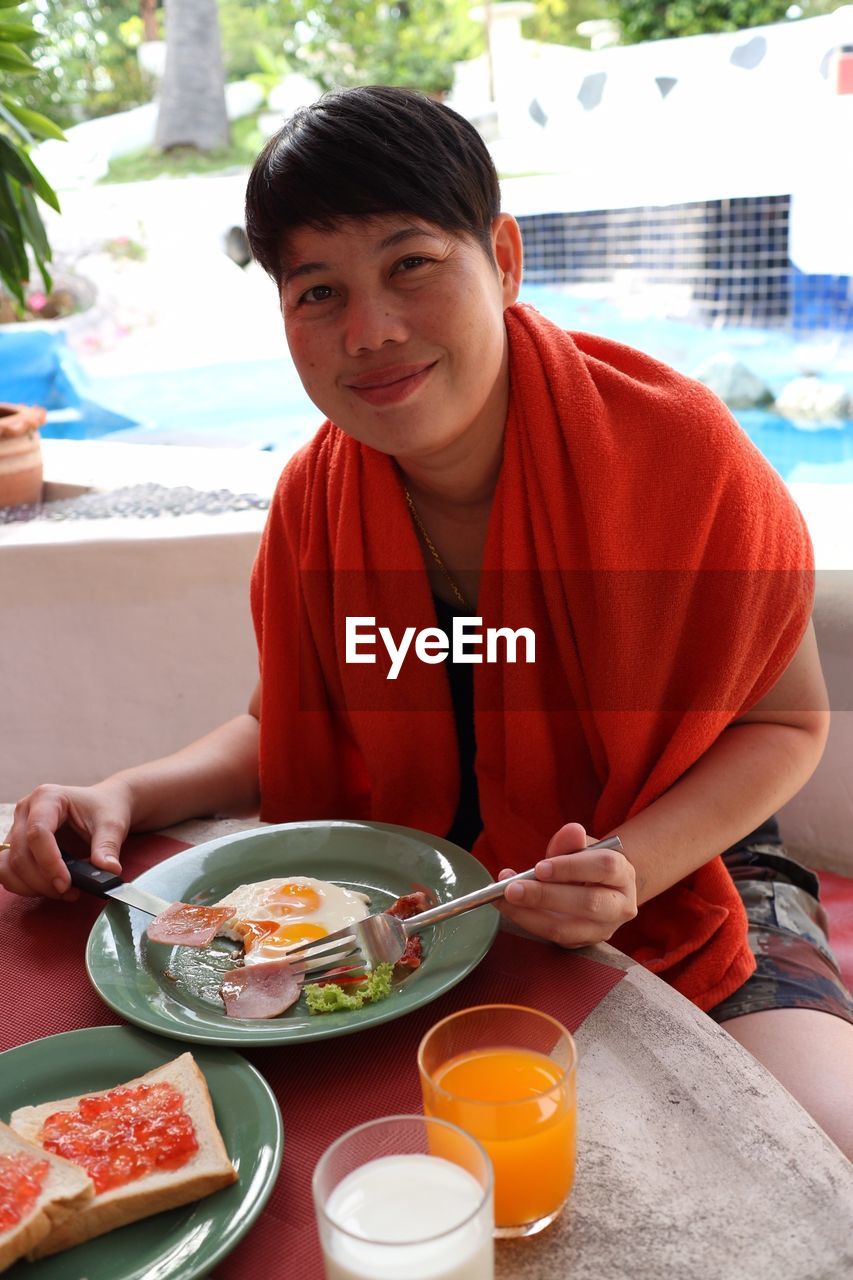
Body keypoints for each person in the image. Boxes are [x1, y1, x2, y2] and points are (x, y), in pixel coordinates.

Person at [2, 85, 851, 1158]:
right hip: (426, 906)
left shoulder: (678, 455)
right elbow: (287, 727)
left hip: (687, 857)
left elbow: (783, 724)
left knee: (822, 1144)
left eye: (410, 264)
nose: (371, 330)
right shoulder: (317, 498)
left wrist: (632, 862)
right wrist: (119, 791)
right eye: (319, 290)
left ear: (501, 256)